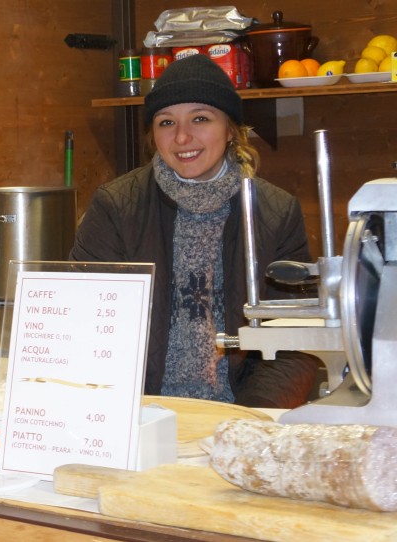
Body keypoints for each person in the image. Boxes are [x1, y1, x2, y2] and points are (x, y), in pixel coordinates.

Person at [68, 54, 320, 408]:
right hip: (137, 412)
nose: (183, 137)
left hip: (241, 410)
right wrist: (123, 414)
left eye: (200, 118)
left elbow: (294, 342)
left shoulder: (275, 212)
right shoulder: (117, 207)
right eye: (166, 122)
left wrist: (248, 422)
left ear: (230, 129)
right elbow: (83, 325)